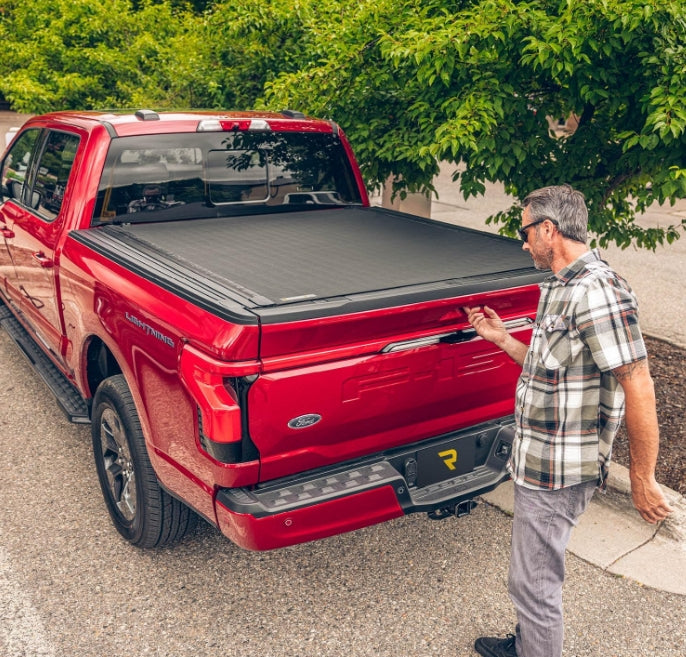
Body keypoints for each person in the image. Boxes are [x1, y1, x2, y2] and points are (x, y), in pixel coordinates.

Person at [463, 184, 673, 657]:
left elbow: (638, 380)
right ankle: (527, 643)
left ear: (548, 229)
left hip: (560, 471)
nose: (522, 243)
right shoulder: (559, 286)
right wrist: (500, 338)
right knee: (532, 576)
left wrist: (642, 477)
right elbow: (550, 371)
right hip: (539, 461)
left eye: (524, 232)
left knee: (534, 584)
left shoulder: (596, 289)